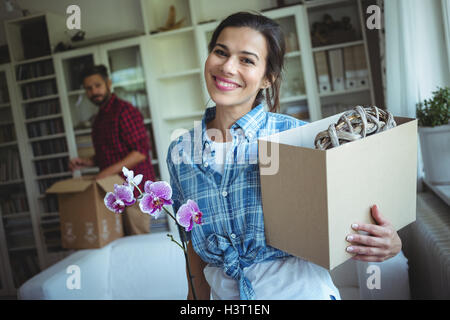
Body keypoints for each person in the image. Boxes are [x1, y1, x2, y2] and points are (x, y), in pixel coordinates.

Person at [166, 12, 403, 300]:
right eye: (221, 52)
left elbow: (356, 217)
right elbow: (193, 247)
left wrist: (390, 242)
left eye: (247, 60)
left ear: (268, 78)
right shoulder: (181, 153)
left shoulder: (301, 138)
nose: (227, 66)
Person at [69, 65, 155, 235]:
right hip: (113, 191)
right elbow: (109, 154)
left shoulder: (125, 111)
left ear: (108, 84)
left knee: (137, 242)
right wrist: (87, 162)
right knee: (118, 242)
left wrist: (106, 173)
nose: (94, 91)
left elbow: (140, 153)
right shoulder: (99, 118)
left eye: (97, 85)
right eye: (89, 88)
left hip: (134, 190)